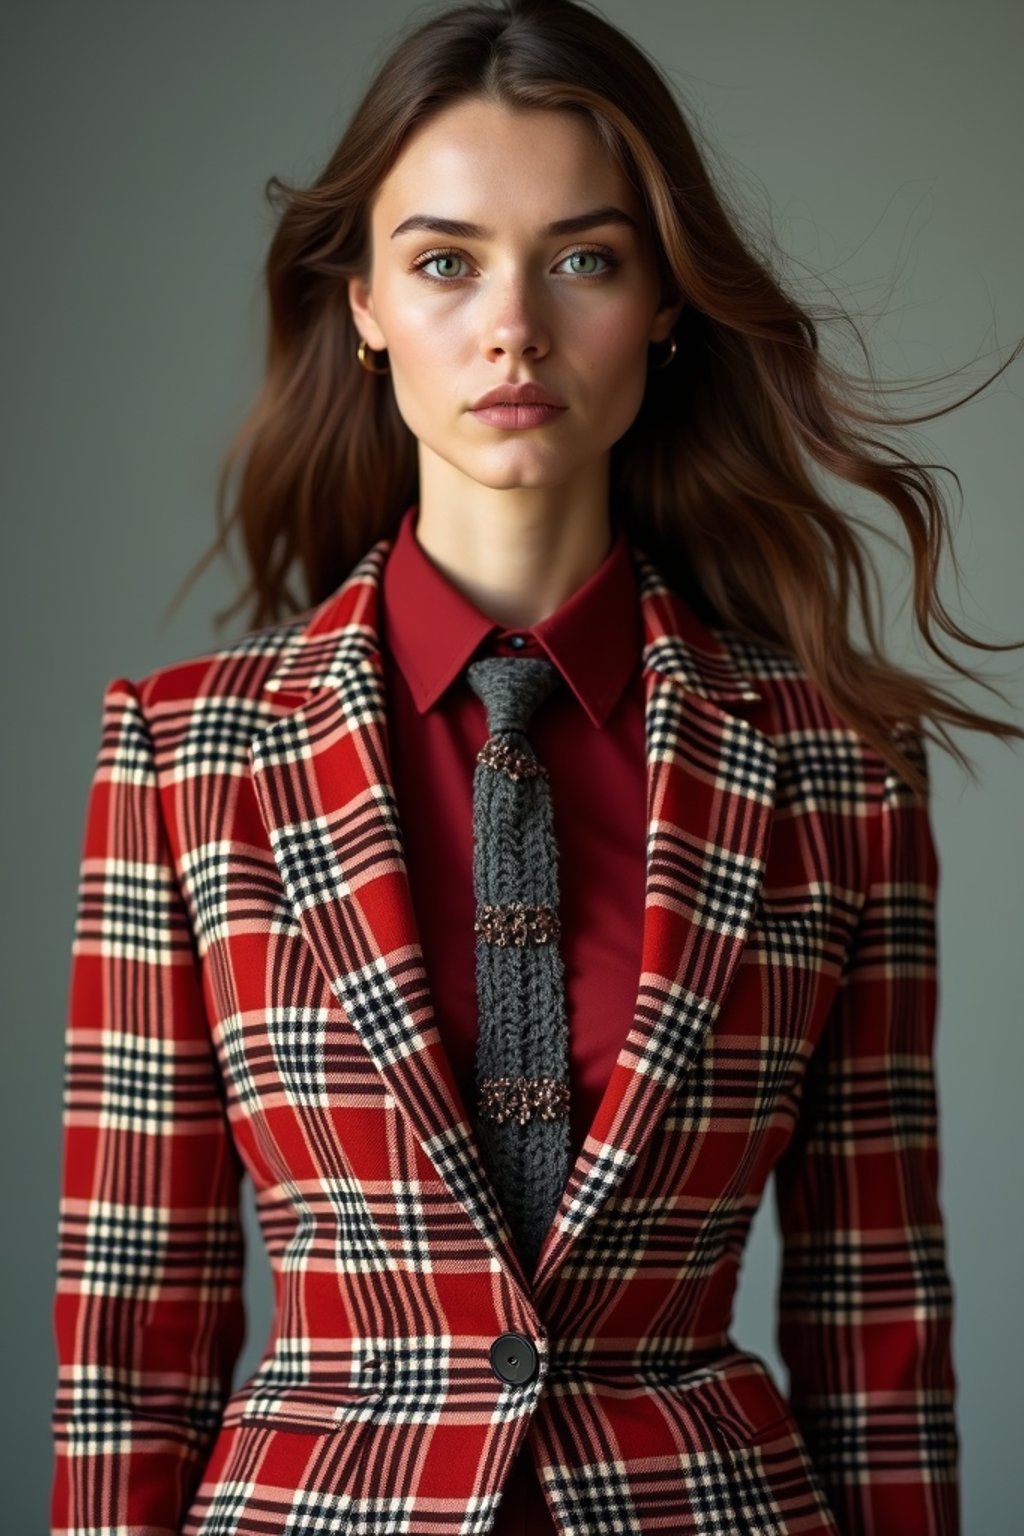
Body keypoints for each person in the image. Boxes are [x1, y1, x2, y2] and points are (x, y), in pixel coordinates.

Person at [50, 2, 1023, 1533]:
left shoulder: (834, 769)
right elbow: (132, 1337)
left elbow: (876, 1323)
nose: (514, 325)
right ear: (363, 301)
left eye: (585, 259)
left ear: (665, 304)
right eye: (445, 262)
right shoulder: (189, 754)